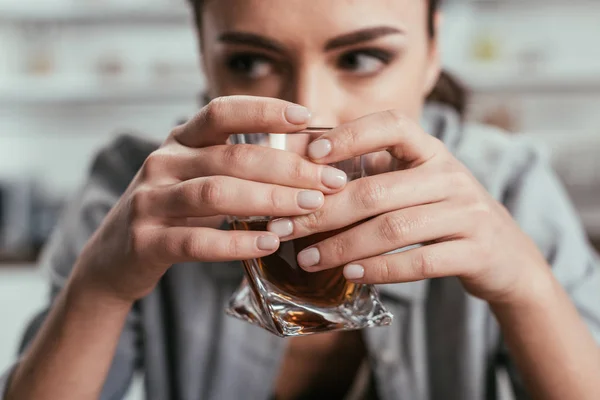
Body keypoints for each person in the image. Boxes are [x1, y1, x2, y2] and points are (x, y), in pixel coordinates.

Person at [2, 0, 600, 399]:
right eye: (251, 62)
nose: (313, 117)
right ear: (203, 53)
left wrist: (526, 287)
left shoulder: (508, 184)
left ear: (434, 47)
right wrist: (102, 286)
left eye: (362, 58)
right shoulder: (133, 191)